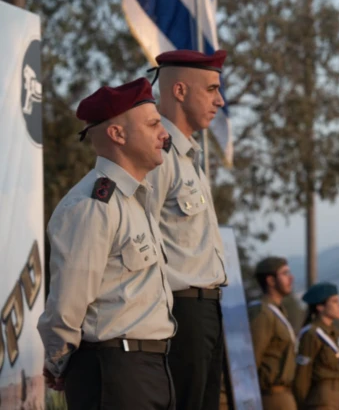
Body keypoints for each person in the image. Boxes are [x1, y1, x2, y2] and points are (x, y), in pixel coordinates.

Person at [37, 78, 177, 410]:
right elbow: (66, 307)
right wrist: (60, 365)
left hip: (151, 369)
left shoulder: (134, 201)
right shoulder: (91, 205)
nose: (165, 134)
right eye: (154, 124)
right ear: (117, 134)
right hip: (115, 372)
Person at [146, 49, 229, 410]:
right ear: (179, 91)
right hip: (180, 313)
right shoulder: (156, 155)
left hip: (208, 310)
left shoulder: (189, 160)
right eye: (211, 89)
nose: (220, 100)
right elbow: (141, 239)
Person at [248, 257, 298, 410]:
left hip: (284, 394)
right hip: (272, 396)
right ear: (270, 280)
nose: (291, 277)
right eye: (285, 273)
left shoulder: (278, 312)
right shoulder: (263, 312)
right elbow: (252, 360)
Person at [293, 282, 339, 410]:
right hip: (320, 403)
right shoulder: (312, 334)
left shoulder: (331, 334)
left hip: (336, 402)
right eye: (334, 302)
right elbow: (302, 377)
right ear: (320, 307)